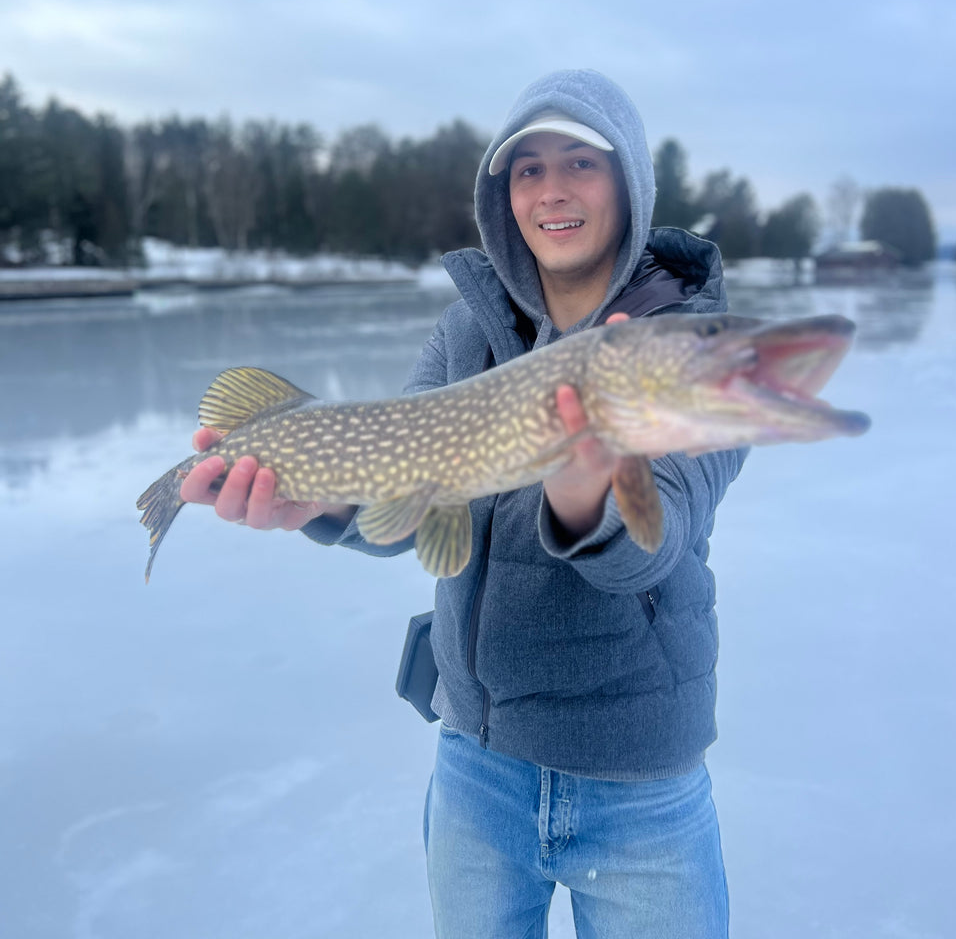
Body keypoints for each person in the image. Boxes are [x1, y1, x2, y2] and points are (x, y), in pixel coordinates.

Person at [181, 69, 746, 938]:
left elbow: (654, 543)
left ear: (628, 182)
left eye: (580, 164)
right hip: (476, 766)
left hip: (638, 785)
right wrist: (317, 508)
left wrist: (586, 489)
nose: (551, 189)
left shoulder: (685, 346)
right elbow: (407, 509)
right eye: (526, 169)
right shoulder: (467, 333)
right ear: (503, 195)